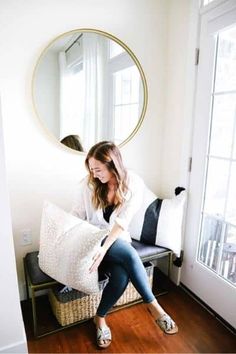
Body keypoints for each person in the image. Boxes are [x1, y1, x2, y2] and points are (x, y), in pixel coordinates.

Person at [71, 141, 178, 348]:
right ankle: (155, 307)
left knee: (121, 274)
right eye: (91, 169)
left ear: (113, 165)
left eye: (98, 169)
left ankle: (99, 318)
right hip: (92, 238)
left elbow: (122, 223)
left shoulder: (134, 183)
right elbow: (77, 216)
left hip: (116, 240)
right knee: (129, 255)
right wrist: (90, 245)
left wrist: (105, 249)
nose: (94, 174)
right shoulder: (88, 185)